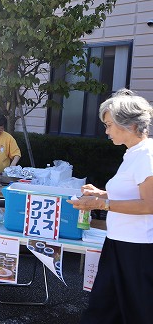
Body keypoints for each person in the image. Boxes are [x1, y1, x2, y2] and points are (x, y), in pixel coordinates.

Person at [67, 89, 153, 324]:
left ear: (130, 124)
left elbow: (149, 204)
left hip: (138, 248)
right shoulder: (133, 154)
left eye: (108, 124)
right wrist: (102, 193)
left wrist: (103, 203)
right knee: (103, 309)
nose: (105, 131)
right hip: (119, 242)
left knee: (137, 312)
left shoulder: (147, 155)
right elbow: (132, 192)